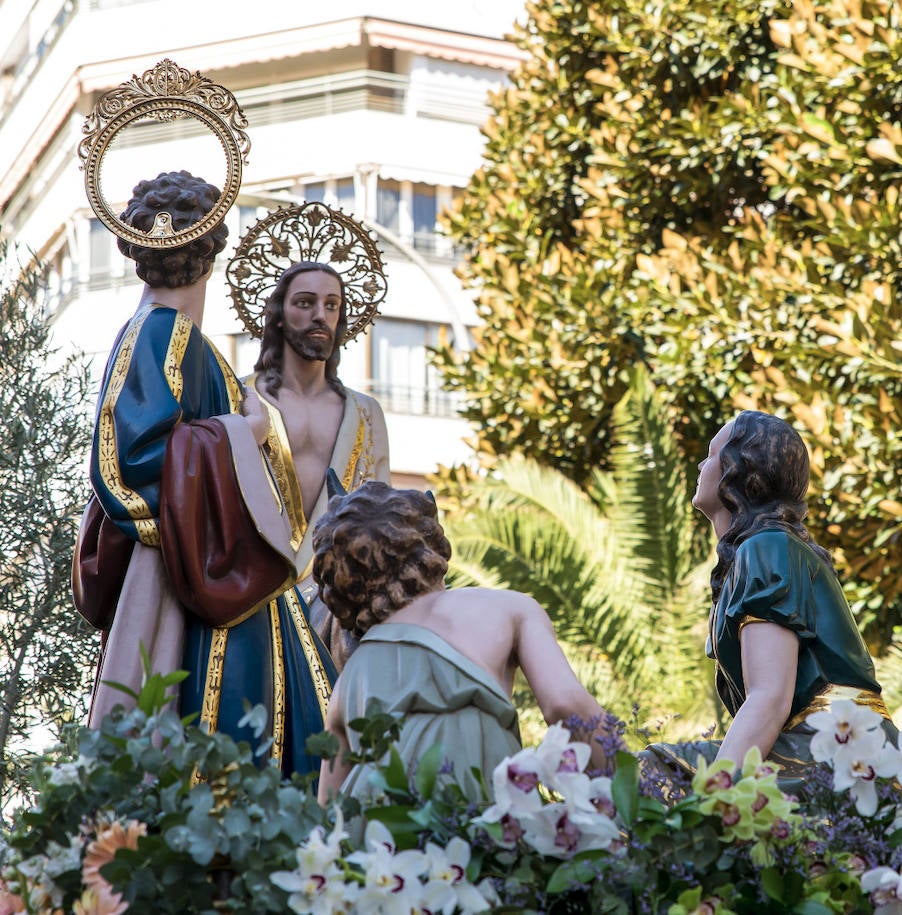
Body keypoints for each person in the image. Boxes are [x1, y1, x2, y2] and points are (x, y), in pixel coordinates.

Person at [76, 172, 336, 777]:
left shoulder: (189, 341)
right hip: (197, 576)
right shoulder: (161, 333)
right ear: (210, 252)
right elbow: (134, 460)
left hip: (219, 565)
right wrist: (247, 433)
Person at [313, 481, 608, 803]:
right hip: (477, 816)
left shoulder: (349, 680)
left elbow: (328, 810)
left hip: (380, 836)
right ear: (429, 542)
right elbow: (565, 704)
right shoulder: (508, 608)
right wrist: (631, 792)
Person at [646, 411, 894, 778]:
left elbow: (769, 698)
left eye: (713, 454)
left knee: (651, 775)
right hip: (831, 751)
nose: (701, 463)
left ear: (740, 471)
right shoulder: (767, 548)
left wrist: (713, 797)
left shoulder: (767, 547)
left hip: (832, 755)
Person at [244, 260, 390, 670]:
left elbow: (380, 512)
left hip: (336, 604)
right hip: (256, 596)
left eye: (331, 305)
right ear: (278, 315)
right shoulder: (242, 399)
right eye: (305, 303)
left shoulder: (365, 413)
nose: (319, 316)